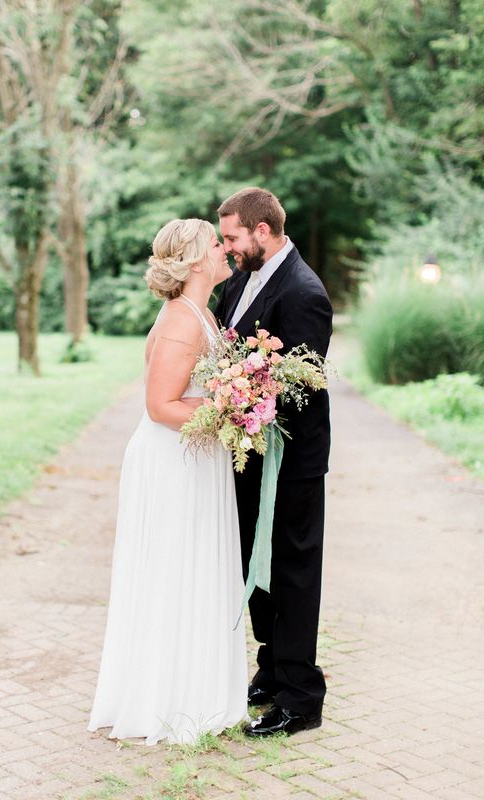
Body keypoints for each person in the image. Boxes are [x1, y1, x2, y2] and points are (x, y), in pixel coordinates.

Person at [88, 218, 248, 745]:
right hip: (174, 459)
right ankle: (167, 698)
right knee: (174, 567)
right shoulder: (182, 320)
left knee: (193, 566)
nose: (226, 249)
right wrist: (230, 411)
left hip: (196, 458)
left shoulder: (201, 312)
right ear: (197, 260)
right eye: (217, 243)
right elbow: (160, 406)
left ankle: (189, 689)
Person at [215, 187, 333, 737]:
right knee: (255, 565)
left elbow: (298, 387)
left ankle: (301, 696)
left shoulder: (304, 291)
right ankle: (272, 666)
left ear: (263, 231)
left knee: (291, 569)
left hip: (292, 458)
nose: (228, 247)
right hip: (249, 452)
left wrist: (237, 394)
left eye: (233, 237)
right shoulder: (243, 278)